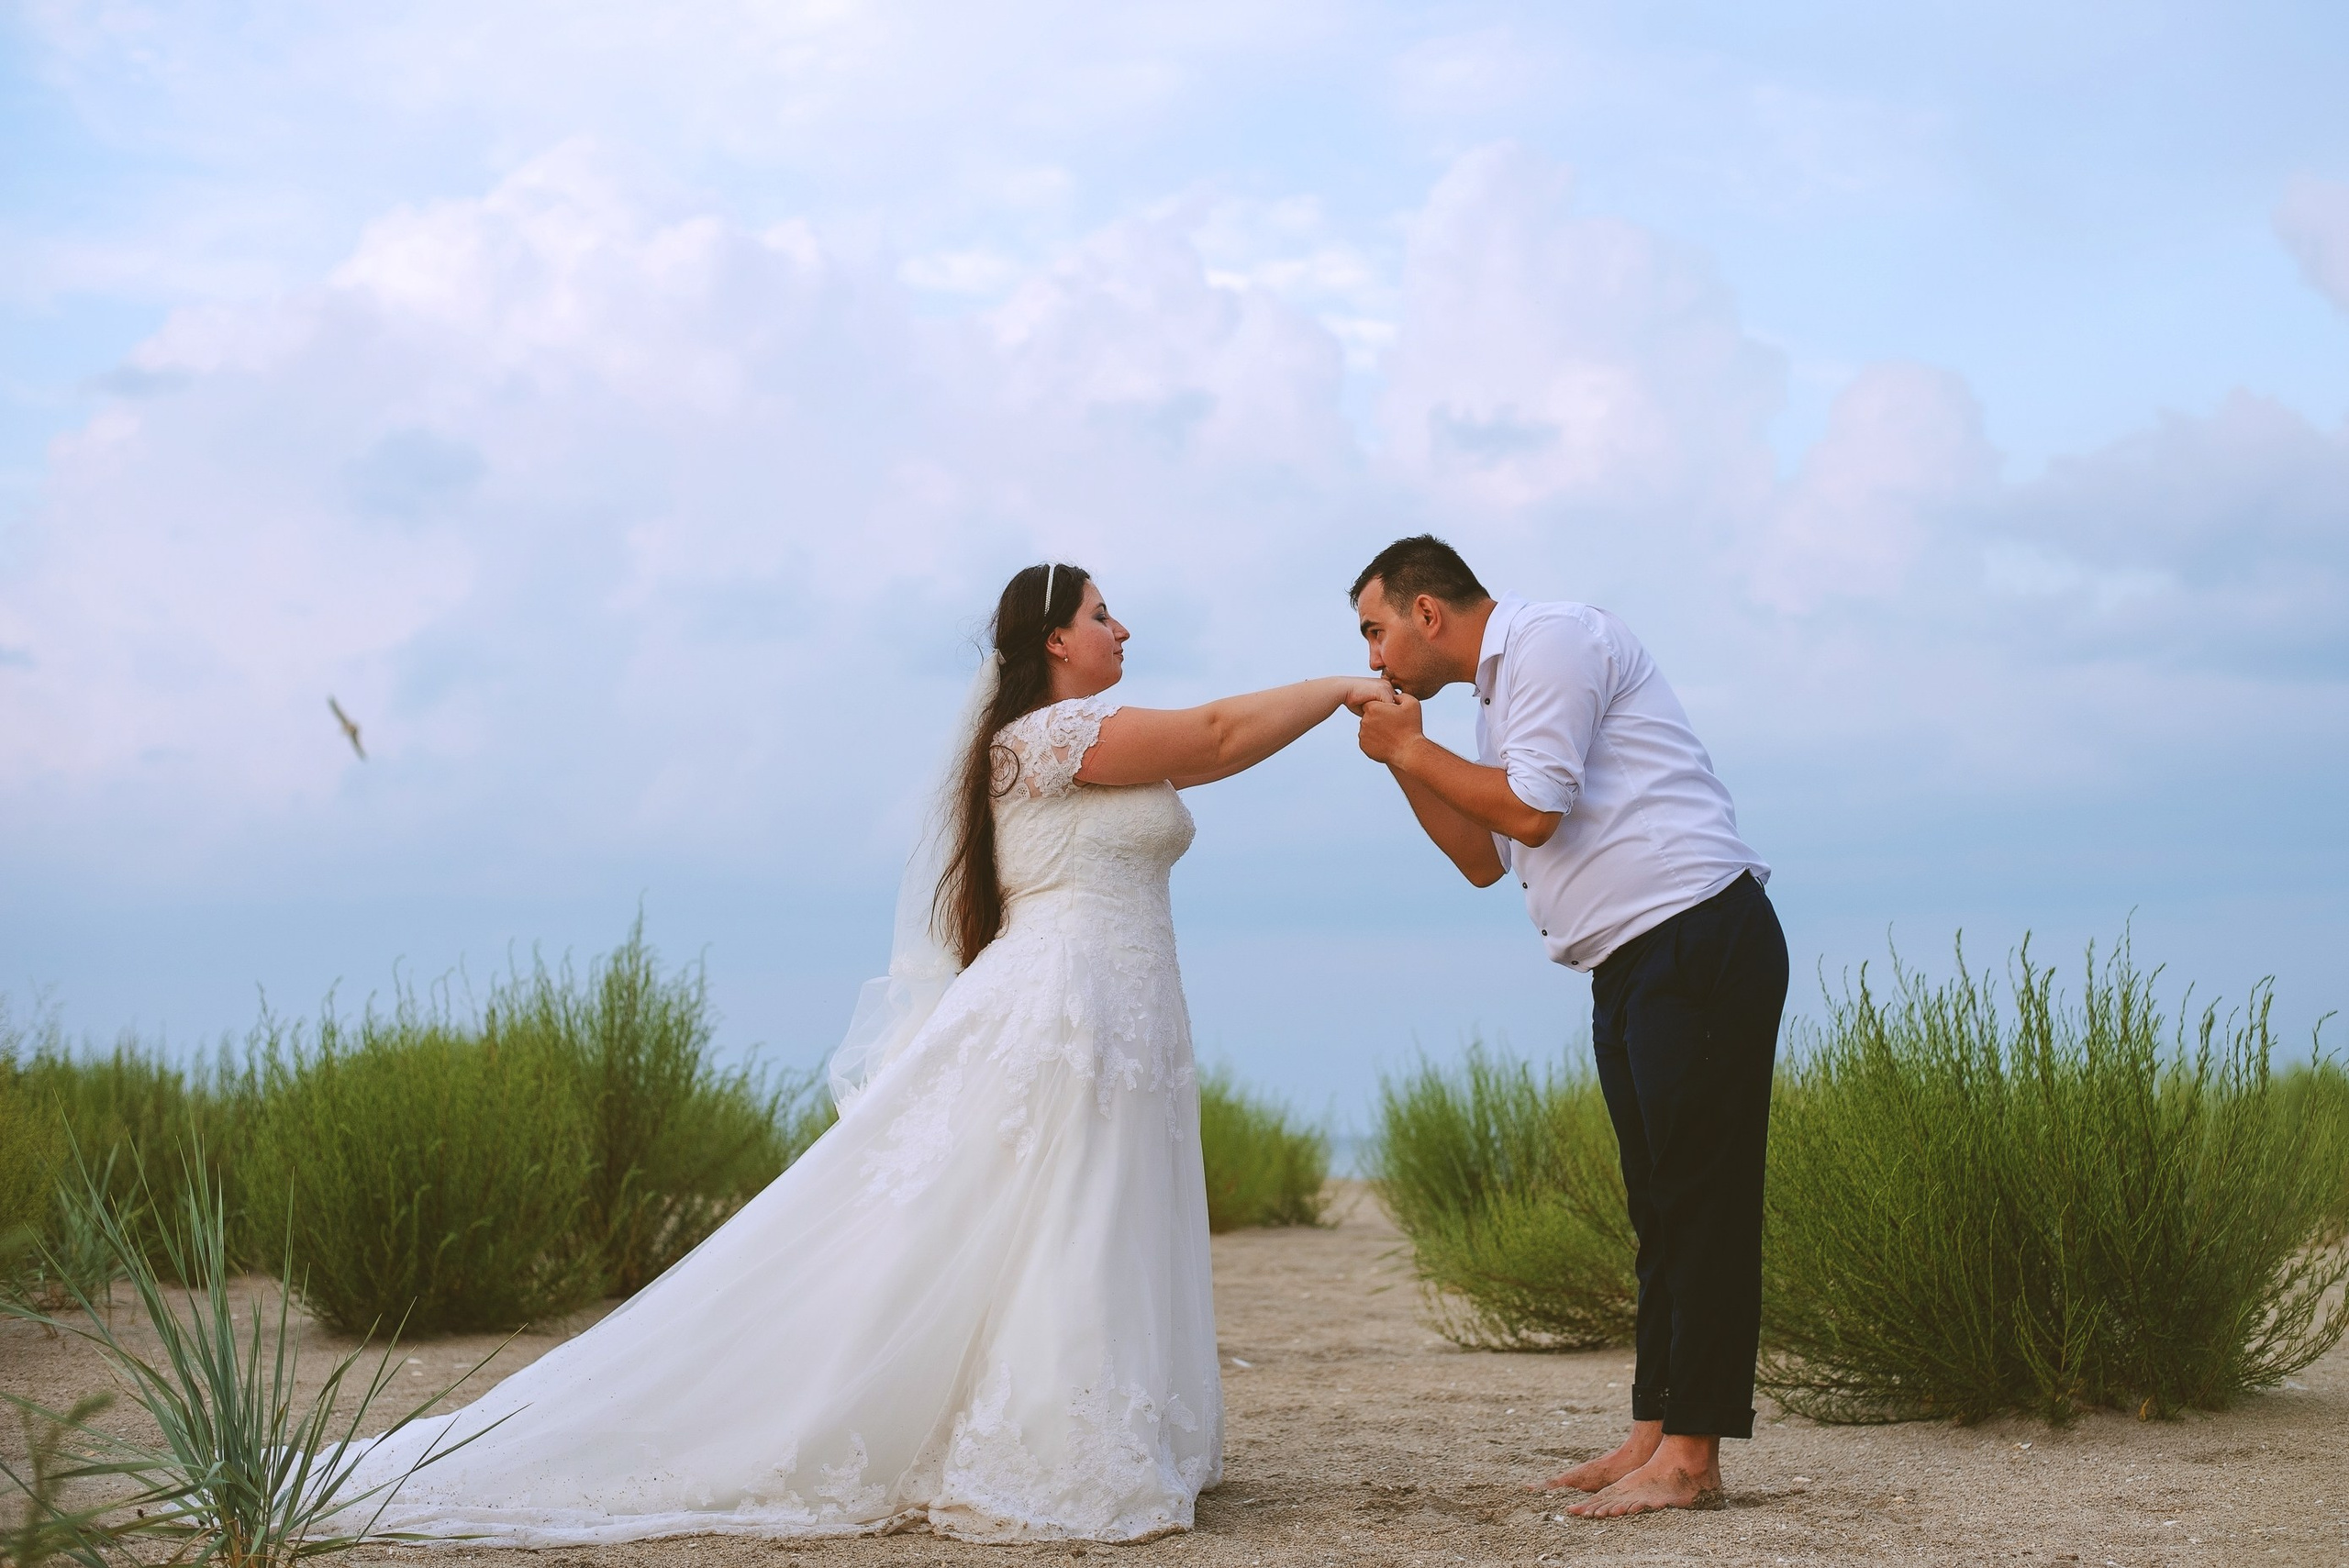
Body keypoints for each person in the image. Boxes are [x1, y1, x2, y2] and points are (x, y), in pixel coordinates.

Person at [336, 563, 1387, 1546]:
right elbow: (1213, 736)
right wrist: (1344, 685)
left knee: (1095, 1209)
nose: (1122, 629)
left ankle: (1115, 1425)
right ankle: (1049, 1446)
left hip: (1129, 1008)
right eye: (1103, 613)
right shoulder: (1046, 735)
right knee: (1053, 1213)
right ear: (1056, 638)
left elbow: (1211, 745)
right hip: (1062, 1006)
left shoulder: (1084, 731)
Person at [1344, 535, 1787, 1518]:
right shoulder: (1496, 698)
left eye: (1376, 631)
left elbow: (1536, 813)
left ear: (1426, 612)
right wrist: (1403, 760)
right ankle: (1654, 1429)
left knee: (1701, 1201)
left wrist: (1413, 747)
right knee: (1658, 1205)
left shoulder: (1546, 642)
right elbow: (1481, 856)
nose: (1374, 656)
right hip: (1631, 960)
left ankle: (1693, 1457)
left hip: (1696, 933)